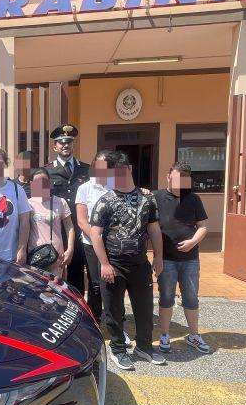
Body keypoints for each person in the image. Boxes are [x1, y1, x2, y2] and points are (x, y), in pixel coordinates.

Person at [90, 151, 164, 371]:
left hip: (140, 264)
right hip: (113, 265)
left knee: (144, 308)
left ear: (130, 169)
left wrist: (159, 257)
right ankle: (119, 350)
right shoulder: (105, 200)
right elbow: (95, 234)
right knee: (113, 311)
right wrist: (104, 263)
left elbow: (154, 229)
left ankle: (144, 347)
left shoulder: (148, 199)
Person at [155, 162, 212, 355]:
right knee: (166, 297)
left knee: (191, 297)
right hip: (167, 259)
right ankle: (164, 335)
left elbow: (203, 226)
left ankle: (194, 335)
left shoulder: (193, 199)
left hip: (190, 259)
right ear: (168, 176)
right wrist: (157, 257)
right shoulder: (156, 197)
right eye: (176, 177)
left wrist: (192, 242)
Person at [45, 124, 89, 294]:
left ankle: (78, 308)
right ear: (55, 146)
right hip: (56, 230)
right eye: (61, 142)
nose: (65, 145)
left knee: (78, 272)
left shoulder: (86, 169)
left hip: (80, 229)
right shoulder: (47, 171)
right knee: (55, 273)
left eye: (69, 142)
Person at [75, 150, 112, 321]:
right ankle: (95, 318)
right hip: (91, 243)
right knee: (96, 283)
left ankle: (115, 319)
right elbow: (82, 221)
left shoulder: (117, 184)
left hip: (113, 242)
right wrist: (97, 239)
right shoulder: (85, 188)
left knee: (114, 282)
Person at [27, 168, 74, 276]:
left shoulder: (60, 202)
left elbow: (69, 227)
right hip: (36, 256)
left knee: (56, 289)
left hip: (57, 255)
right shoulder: (27, 204)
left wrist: (70, 249)